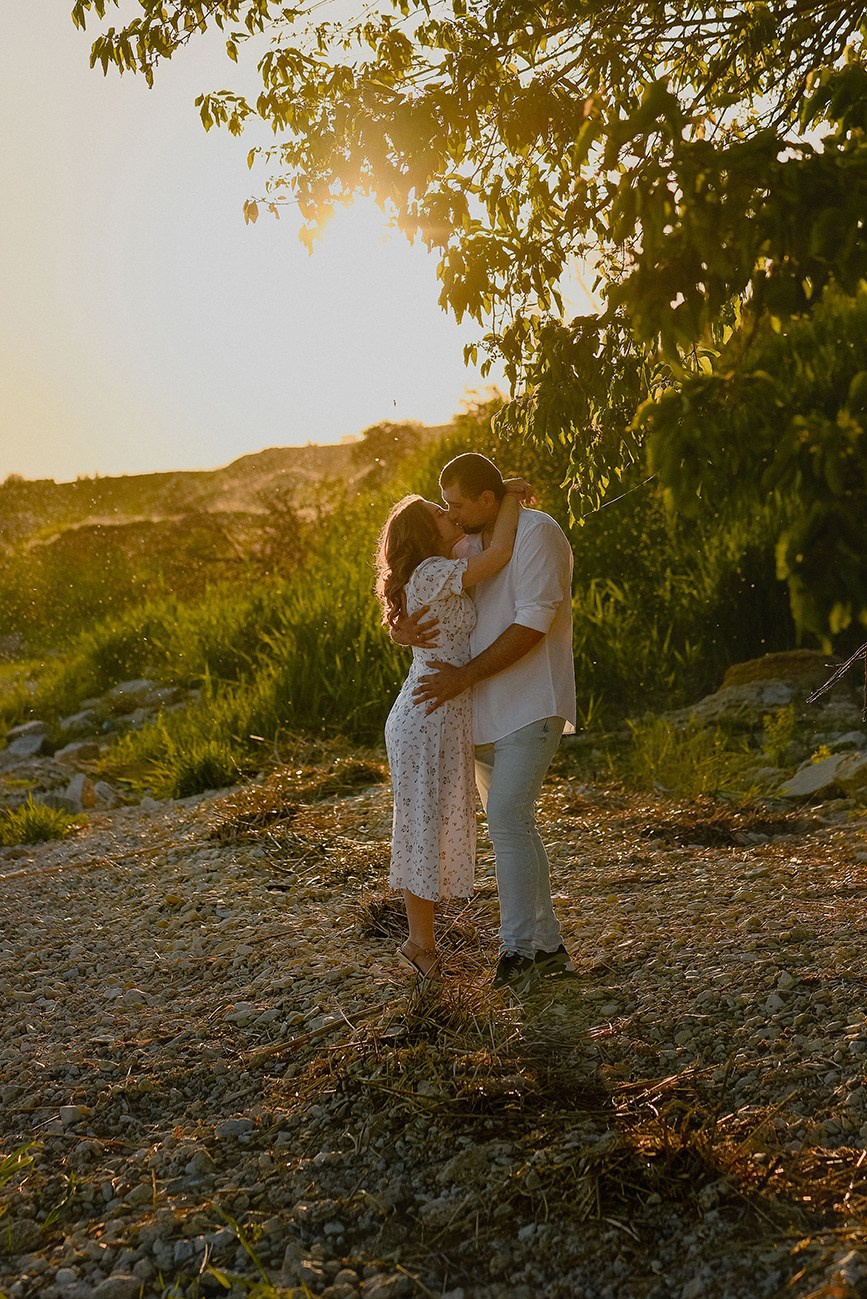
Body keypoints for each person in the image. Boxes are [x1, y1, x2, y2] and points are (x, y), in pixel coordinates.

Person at [406, 453, 577, 994]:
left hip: (531, 702)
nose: (450, 515)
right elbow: (418, 579)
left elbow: (533, 623)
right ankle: (547, 947)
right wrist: (399, 627)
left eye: (458, 503)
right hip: (479, 713)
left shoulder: (538, 533)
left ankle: (516, 949)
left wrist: (461, 677)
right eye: (446, 507)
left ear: (486, 500)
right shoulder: (468, 542)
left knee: (507, 819)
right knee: (515, 827)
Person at [374, 485, 524, 981]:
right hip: (428, 715)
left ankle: (423, 944)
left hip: (432, 710)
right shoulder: (435, 573)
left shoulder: (439, 566)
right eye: (441, 512)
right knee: (424, 829)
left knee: (429, 827)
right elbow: (500, 552)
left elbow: (480, 540)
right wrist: (508, 499)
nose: (450, 515)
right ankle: (419, 945)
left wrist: (396, 627)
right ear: (424, 532)